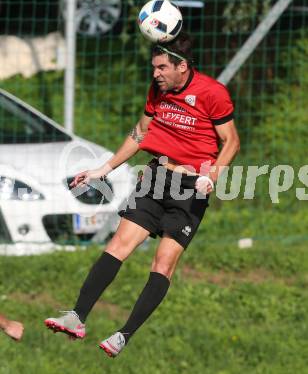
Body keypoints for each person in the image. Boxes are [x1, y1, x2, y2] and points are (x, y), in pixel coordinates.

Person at [44, 32, 240, 358]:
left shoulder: (212, 93)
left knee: (162, 263)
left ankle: (124, 334)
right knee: (118, 245)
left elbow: (231, 141)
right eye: (154, 67)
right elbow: (141, 132)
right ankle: (77, 317)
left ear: (182, 66)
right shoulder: (158, 91)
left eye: (162, 67)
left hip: (190, 190)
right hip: (154, 178)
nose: (156, 74)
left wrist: (213, 176)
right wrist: (102, 169)